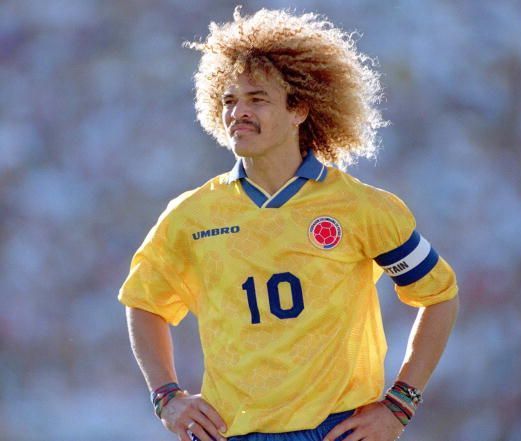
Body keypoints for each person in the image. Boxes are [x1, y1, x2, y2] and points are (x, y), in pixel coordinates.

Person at [119, 7, 459, 441]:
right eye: (228, 100)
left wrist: (400, 403)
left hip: (338, 430)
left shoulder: (361, 208)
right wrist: (166, 396)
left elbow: (440, 297)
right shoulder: (190, 216)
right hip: (233, 433)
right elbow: (144, 303)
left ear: (299, 108)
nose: (237, 112)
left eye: (256, 99)